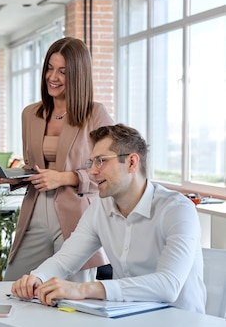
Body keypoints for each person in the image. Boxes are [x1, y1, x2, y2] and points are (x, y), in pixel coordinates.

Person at [11, 124, 206, 314]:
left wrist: (83, 289)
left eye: (101, 161)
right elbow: (65, 260)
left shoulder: (178, 210)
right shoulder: (100, 208)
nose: (92, 171)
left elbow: (168, 285)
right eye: (92, 162)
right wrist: (37, 278)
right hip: (127, 322)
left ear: (132, 162)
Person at [0, 37, 113, 282]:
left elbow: (110, 171)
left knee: (70, 300)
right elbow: (33, 168)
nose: (53, 77)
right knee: (15, 285)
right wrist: (8, 178)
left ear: (78, 74)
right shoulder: (31, 114)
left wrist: (65, 177)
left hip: (78, 216)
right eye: (50, 69)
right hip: (35, 210)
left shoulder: (95, 114)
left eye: (63, 71)